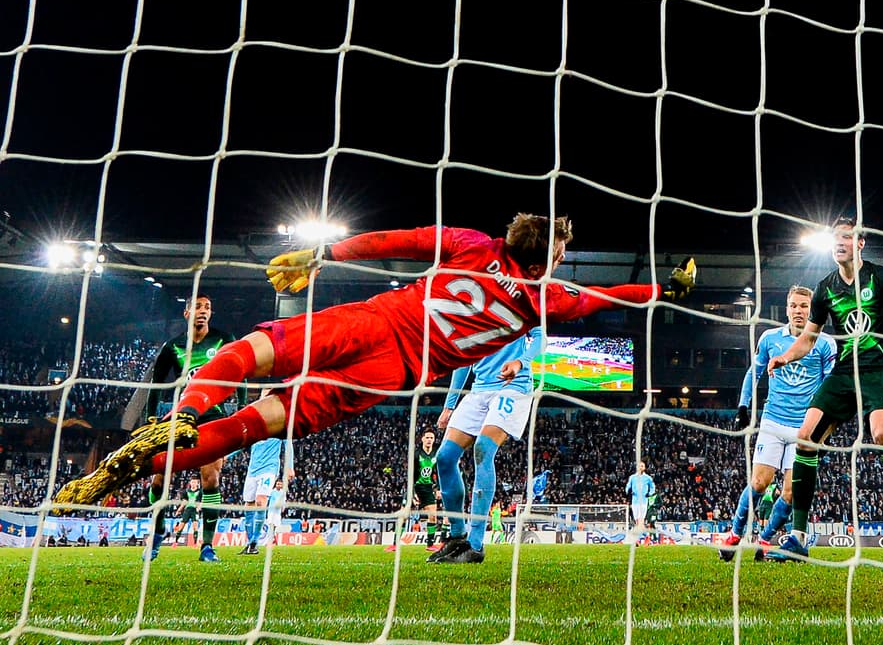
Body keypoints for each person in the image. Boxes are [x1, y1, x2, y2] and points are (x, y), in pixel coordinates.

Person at [55, 215, 697, 510]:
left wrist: (327, 251)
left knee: (249, 350)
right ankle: (130, 475)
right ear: (540, 262)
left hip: (375, 317)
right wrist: (664, 289)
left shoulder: (473, 244)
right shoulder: (541, 299)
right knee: (265, 420)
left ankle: (187, 410)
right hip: (394, 370)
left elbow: (399, 240)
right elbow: (608, 297)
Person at [763, 216, 883, 566]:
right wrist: (784, 356)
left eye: (846, 237)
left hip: (880, 369)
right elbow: (809, 340)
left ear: (860, 243)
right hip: (844, 372)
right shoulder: (825, 288)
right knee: (805, 437)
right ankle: (797, 537)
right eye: (835, 238)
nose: (839, 242)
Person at [720, 285, 836, 563]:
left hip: (804, 428)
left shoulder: (825, 343)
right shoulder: (770, 338)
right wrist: (743, 404)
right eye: (794, 306)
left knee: (791, 491)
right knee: (759, 482)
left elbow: (830, 385)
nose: (799, 311)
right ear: (787, 309)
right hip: (773, 421)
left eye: (804, 306)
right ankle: (734, 535)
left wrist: (826, 423)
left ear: (813, 310)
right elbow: (754, 371)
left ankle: (765, 539)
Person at [139, 294, 241, 564]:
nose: (203, 311)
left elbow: (241, 370)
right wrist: (151, 420)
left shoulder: (223, 340)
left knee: (211, 477)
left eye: (207, 307)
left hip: (213, 414)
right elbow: (157, 384)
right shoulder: (172, 347)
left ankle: (207, 546)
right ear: (186, 314)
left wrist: (241, 407)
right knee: (159, 475)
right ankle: (158, 532)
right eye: (197, 307)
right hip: (182, 413)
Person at [430, 327, 545, 564]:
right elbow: (463, 362)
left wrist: (520, 363)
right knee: (445, 457)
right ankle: (457, 536)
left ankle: (475, 544)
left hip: (513, 387)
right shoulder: (469, 313)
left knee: (482, 448)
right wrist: (449, 405)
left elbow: (541, 337)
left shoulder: (516, 297)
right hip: (479, 390)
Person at [237, 434, 295, 556]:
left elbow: (288, 443)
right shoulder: (256, 427)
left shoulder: (278, 426)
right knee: (249, 505)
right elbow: (242, 444)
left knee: (261, 501)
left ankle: (254, 542)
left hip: (269, 469)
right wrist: (227, 455)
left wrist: (289, 466)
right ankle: (250, 543)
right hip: (252, 470)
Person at [624, 461, 655, 540]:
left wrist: (650, 493)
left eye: (642, 466)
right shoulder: (632, 477)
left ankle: (641, 539)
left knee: (640, 521)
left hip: (643, 502)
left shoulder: (648, 478)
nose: (640, 467)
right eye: (639, 466)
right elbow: (628, 485)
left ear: (644, 468)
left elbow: (652, 487)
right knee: (637, 521)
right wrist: (627, 490)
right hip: (635, 501)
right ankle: (646, 537)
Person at [168, 477, 202, 547]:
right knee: (181, 526)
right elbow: (184, 502)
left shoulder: (200, 492)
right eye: (192, 482)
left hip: (194, 510)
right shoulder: (186, 491)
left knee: (195, 526)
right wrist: (179, 510)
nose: (193, 484)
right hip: (187, 510)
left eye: (195, 482)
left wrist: (198, 508)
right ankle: (176, 542)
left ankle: (195, 543)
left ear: (197, 484)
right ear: (190, 483)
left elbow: (201, 501)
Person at [262, 477, 286, 547]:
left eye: (280, 484)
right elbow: (267, 500)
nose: (279, 485)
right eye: (278, 484)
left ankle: (273, 541)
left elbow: (283, 501)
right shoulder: (272, 492)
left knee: (275, 526)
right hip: (271, 511)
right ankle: (269, 541)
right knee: (271, 526)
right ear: (275, 484)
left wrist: (283, 508)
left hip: (278, 512)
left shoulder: (282, 493)